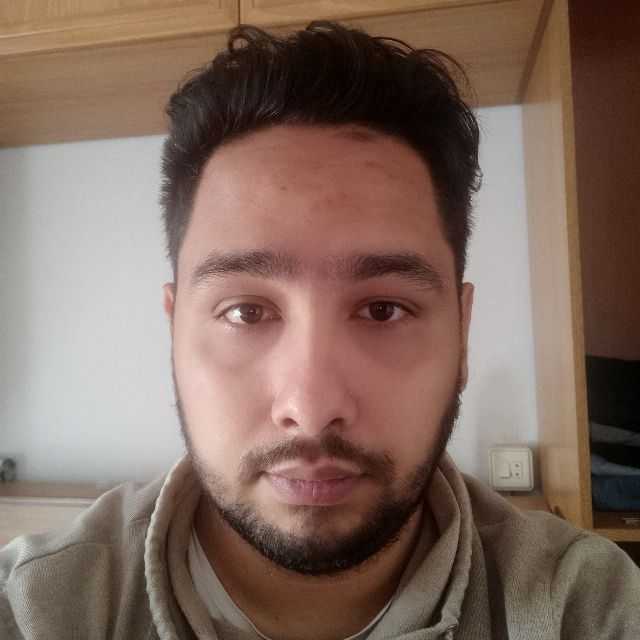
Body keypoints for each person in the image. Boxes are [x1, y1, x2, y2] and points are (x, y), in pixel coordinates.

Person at [1, 20, 639, 640]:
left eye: (383, 309)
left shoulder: (586, 606)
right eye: (246, 312)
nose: (310, 409)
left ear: (462, 332)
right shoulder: (39, 610)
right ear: (174, 331)